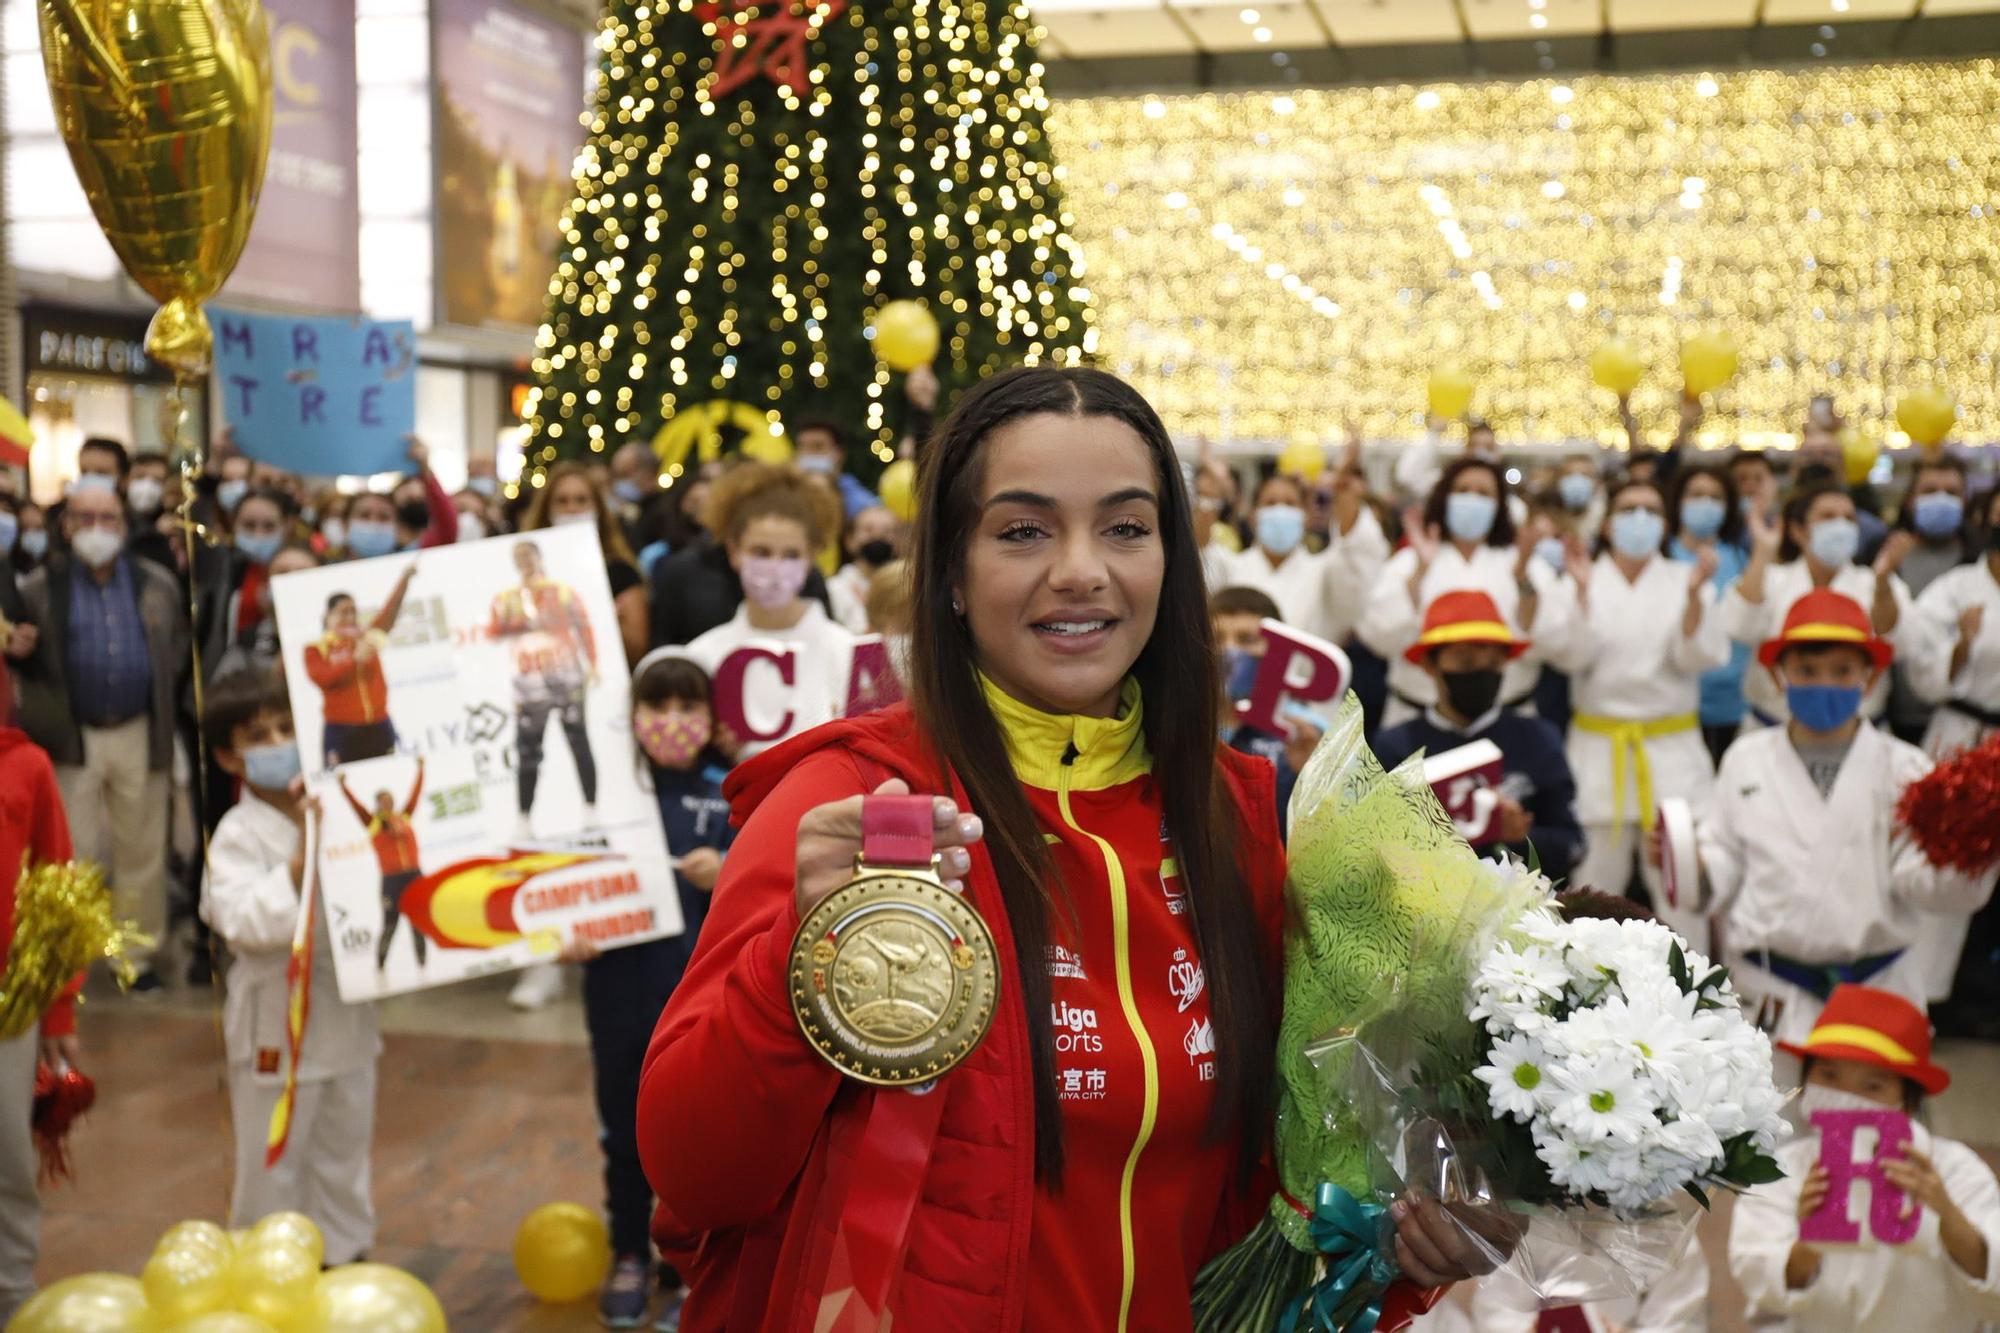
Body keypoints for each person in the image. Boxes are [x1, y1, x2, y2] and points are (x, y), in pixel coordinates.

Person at [636, 366, 1498, 1331]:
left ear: (1171, 559)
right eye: (1022, 530)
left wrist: (1412, 1236)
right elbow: (693, 1173)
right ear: (952, 574)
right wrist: (798, 958)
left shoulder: (1242, 818)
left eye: (1126, 527)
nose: (1082, 568)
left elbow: (1286, 1195)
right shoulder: (852, 806)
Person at [1687, 589, 1994, 1050]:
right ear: (1778, 675)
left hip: (1876, 991)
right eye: (1807, 672)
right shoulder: (1744, 760)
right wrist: (1692, 864)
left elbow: (1924, 884)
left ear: (1868, 681)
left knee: (1867, 1123)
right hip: (1769, 995)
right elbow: (1724, 856)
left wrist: (1971, 851)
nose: (1823, 684)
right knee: (1764, 1120)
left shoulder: (1906, 769)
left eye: (1842, 671)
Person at [198, 669, 379, 1265]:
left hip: (347, 1010)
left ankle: (346, 1264)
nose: (278, 741)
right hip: (275, 1022)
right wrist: (302, 856)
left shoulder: (343, 806)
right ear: (229, 756)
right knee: (273, 1159)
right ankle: (265, 1276)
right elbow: (246, 923)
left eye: (286, 727)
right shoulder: (236, 834)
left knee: (344, 1153)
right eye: (258, 734)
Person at [580, 650, 735, 1328]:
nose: (672, 720)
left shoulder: (730, 791)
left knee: (697, 1135)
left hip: (700, 1000)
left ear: (710, 716)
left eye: (687, 706)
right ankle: (628, 1253)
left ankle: (689, 1267)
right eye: (657, 706)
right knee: (623, 1131)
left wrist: (727, 868)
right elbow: (564, 882)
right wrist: (565, 928)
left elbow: (768, 888)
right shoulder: (606, 794)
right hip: (615, 991)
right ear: (631, 716)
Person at [1728, 984, 2000, 1330]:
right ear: (1805, 1082)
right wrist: (1809, 1242)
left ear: (1909, 1101)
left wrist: (1947, 1215)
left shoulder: (1955, 1169)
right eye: (1829, 1076)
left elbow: (1995, 1291)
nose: (1846, 1098)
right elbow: (1759, 1284)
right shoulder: (1782, 1171)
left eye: (1872, 1086)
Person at [14, 484, 185, 991]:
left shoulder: (157, 583)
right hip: (72, 735)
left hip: (137, 727)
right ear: (65, 526)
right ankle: (68, 958)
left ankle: (136, 958)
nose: (96, 529)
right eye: (84, 518)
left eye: (107, 518)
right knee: (72, 850)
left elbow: (173, 652)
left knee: (142, 849)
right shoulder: (41, 587)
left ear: (124, 526)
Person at [1552, 478, 1727, 933]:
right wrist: (1584, 595)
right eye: (1629, 507)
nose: (1640, 518)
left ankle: (1698, 994)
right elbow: (1571, 658)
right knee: (1591, 891)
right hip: (1598, 747)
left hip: (1669, 749)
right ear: (1608, 524)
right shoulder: (1581, 578)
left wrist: (1692, 601)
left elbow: (1698, 657)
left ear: (1665, 525)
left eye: (1650, 509)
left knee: (1682, 889)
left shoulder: (1686, 580)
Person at [1373, 590, 1586, 886]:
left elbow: (1573, 846)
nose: (1482, 675)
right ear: (1430, 665)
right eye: (1466, 663)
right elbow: (1375, 849)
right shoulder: (1396, 747)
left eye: (1493, 665)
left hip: (1521, 913)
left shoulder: (1538, 738)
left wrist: (1520, 838)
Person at [1358, 457, 1576, 727]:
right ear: (1445, 498)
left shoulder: (1525, 562)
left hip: (1507, 718)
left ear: (1499, 505)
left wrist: (1522, 578)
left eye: (1483, 493)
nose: (1472, 500)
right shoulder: (1410, 561)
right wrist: (1419, 574)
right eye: (1462, 491)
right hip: (1417, 718)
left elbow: (1553, 641)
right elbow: (1379, 637)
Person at [0, 662, 81, 1325]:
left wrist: (57, 1004)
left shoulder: (27, 765)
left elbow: (57, 883)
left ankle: (12, 1291)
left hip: (10, 1002)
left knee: (7, 1159)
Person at [1902, 481, 2000, 1013]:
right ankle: (1927, 999)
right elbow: (1924, 676)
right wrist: (1962, 645)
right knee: (1946, 863)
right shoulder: (1955, 589)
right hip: (1962, 739)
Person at [1721, 481, 1930, 728]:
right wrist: (1762, 552)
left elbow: (1899, 644)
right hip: (1773, 729)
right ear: (1799, 530)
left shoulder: (1876, 581)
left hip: (1862, 733)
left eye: (1849, 519)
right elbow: (1739, 627)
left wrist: (1882, 583)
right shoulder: (1772, 580)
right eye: (1828, 516)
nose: (1840, 525)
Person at [680, 464, 855, 757]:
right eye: (761, 552)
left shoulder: (847, 652)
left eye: (791, 555)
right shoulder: (702, 656)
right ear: (734, 550)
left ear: (811, 557)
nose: (775, 568)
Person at [1212, 460, 1389, 646]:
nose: (1280, 510)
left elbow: (1356, 566)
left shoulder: (1324, 570)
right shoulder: (1230, 566)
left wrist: (1345, 497)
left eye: (1290, 503)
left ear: (1306, 515)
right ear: (1253, 515)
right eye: (1270, 503)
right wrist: (1211, 492)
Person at [1883, 457, 1977, 744]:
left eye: (1951, 492)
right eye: (1929, 490)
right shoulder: (1887, 559)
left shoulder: (1980, 563)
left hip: (1966, 719)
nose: (1941, 498)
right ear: (1911, 499)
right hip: (1895, 716)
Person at [1210, 585, 1320, 825]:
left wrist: (1310, 777)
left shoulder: (1305, 732)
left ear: (1278, 650)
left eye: (1246, 639)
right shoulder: (1179, 724)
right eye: (1216, 639)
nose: (1229, 651)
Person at [520, 460, 649, 664]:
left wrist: (605, 618)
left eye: (581, 500)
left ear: (597, 509)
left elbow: (636, 651)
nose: (572, 508)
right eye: (562, 501)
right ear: (547, 510)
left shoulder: (621, 573)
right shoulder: (524, 577)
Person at [1667, 463, 1753, 761]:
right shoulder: (1664, 556)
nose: (1705, 503)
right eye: (1696, 494)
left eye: (1715, 497)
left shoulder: (1741, 559)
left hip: (1734, 703)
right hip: (1678, 703)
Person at [302, 564, 418, 767]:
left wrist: (405, 580)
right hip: (342, 729)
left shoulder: (367, 636)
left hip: (379, 724)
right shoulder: (315, 649)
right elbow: (323, 678)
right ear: (326, 616)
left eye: (353, 612)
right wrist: (354, 660)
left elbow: (389, 613)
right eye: (342, 612)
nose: (349, 618)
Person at [336, 759, 428, 973]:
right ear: (377, 804)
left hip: (414, 876)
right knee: (390, 925)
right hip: (392, 881)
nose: (386, 804)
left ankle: (422, 964)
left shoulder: (404, 817)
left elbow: (415, 794)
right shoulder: (372, 822)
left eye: (388, 800)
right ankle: (380, 964)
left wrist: (421, 769)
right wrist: (343, 786)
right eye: (381, 801)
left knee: (418, 923)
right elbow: (356, 806)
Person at [826, 504, 901, 633]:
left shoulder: (909, 588)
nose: (878, 536)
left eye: (888, 531)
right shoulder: (833, 588)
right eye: (868, 530)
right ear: (849, 540)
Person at [792, 416, 882, 520]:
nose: (808, 454)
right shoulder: (785, 495)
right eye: (802, 447)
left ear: (838, 454)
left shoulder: (861, 504)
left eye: (818, 446)